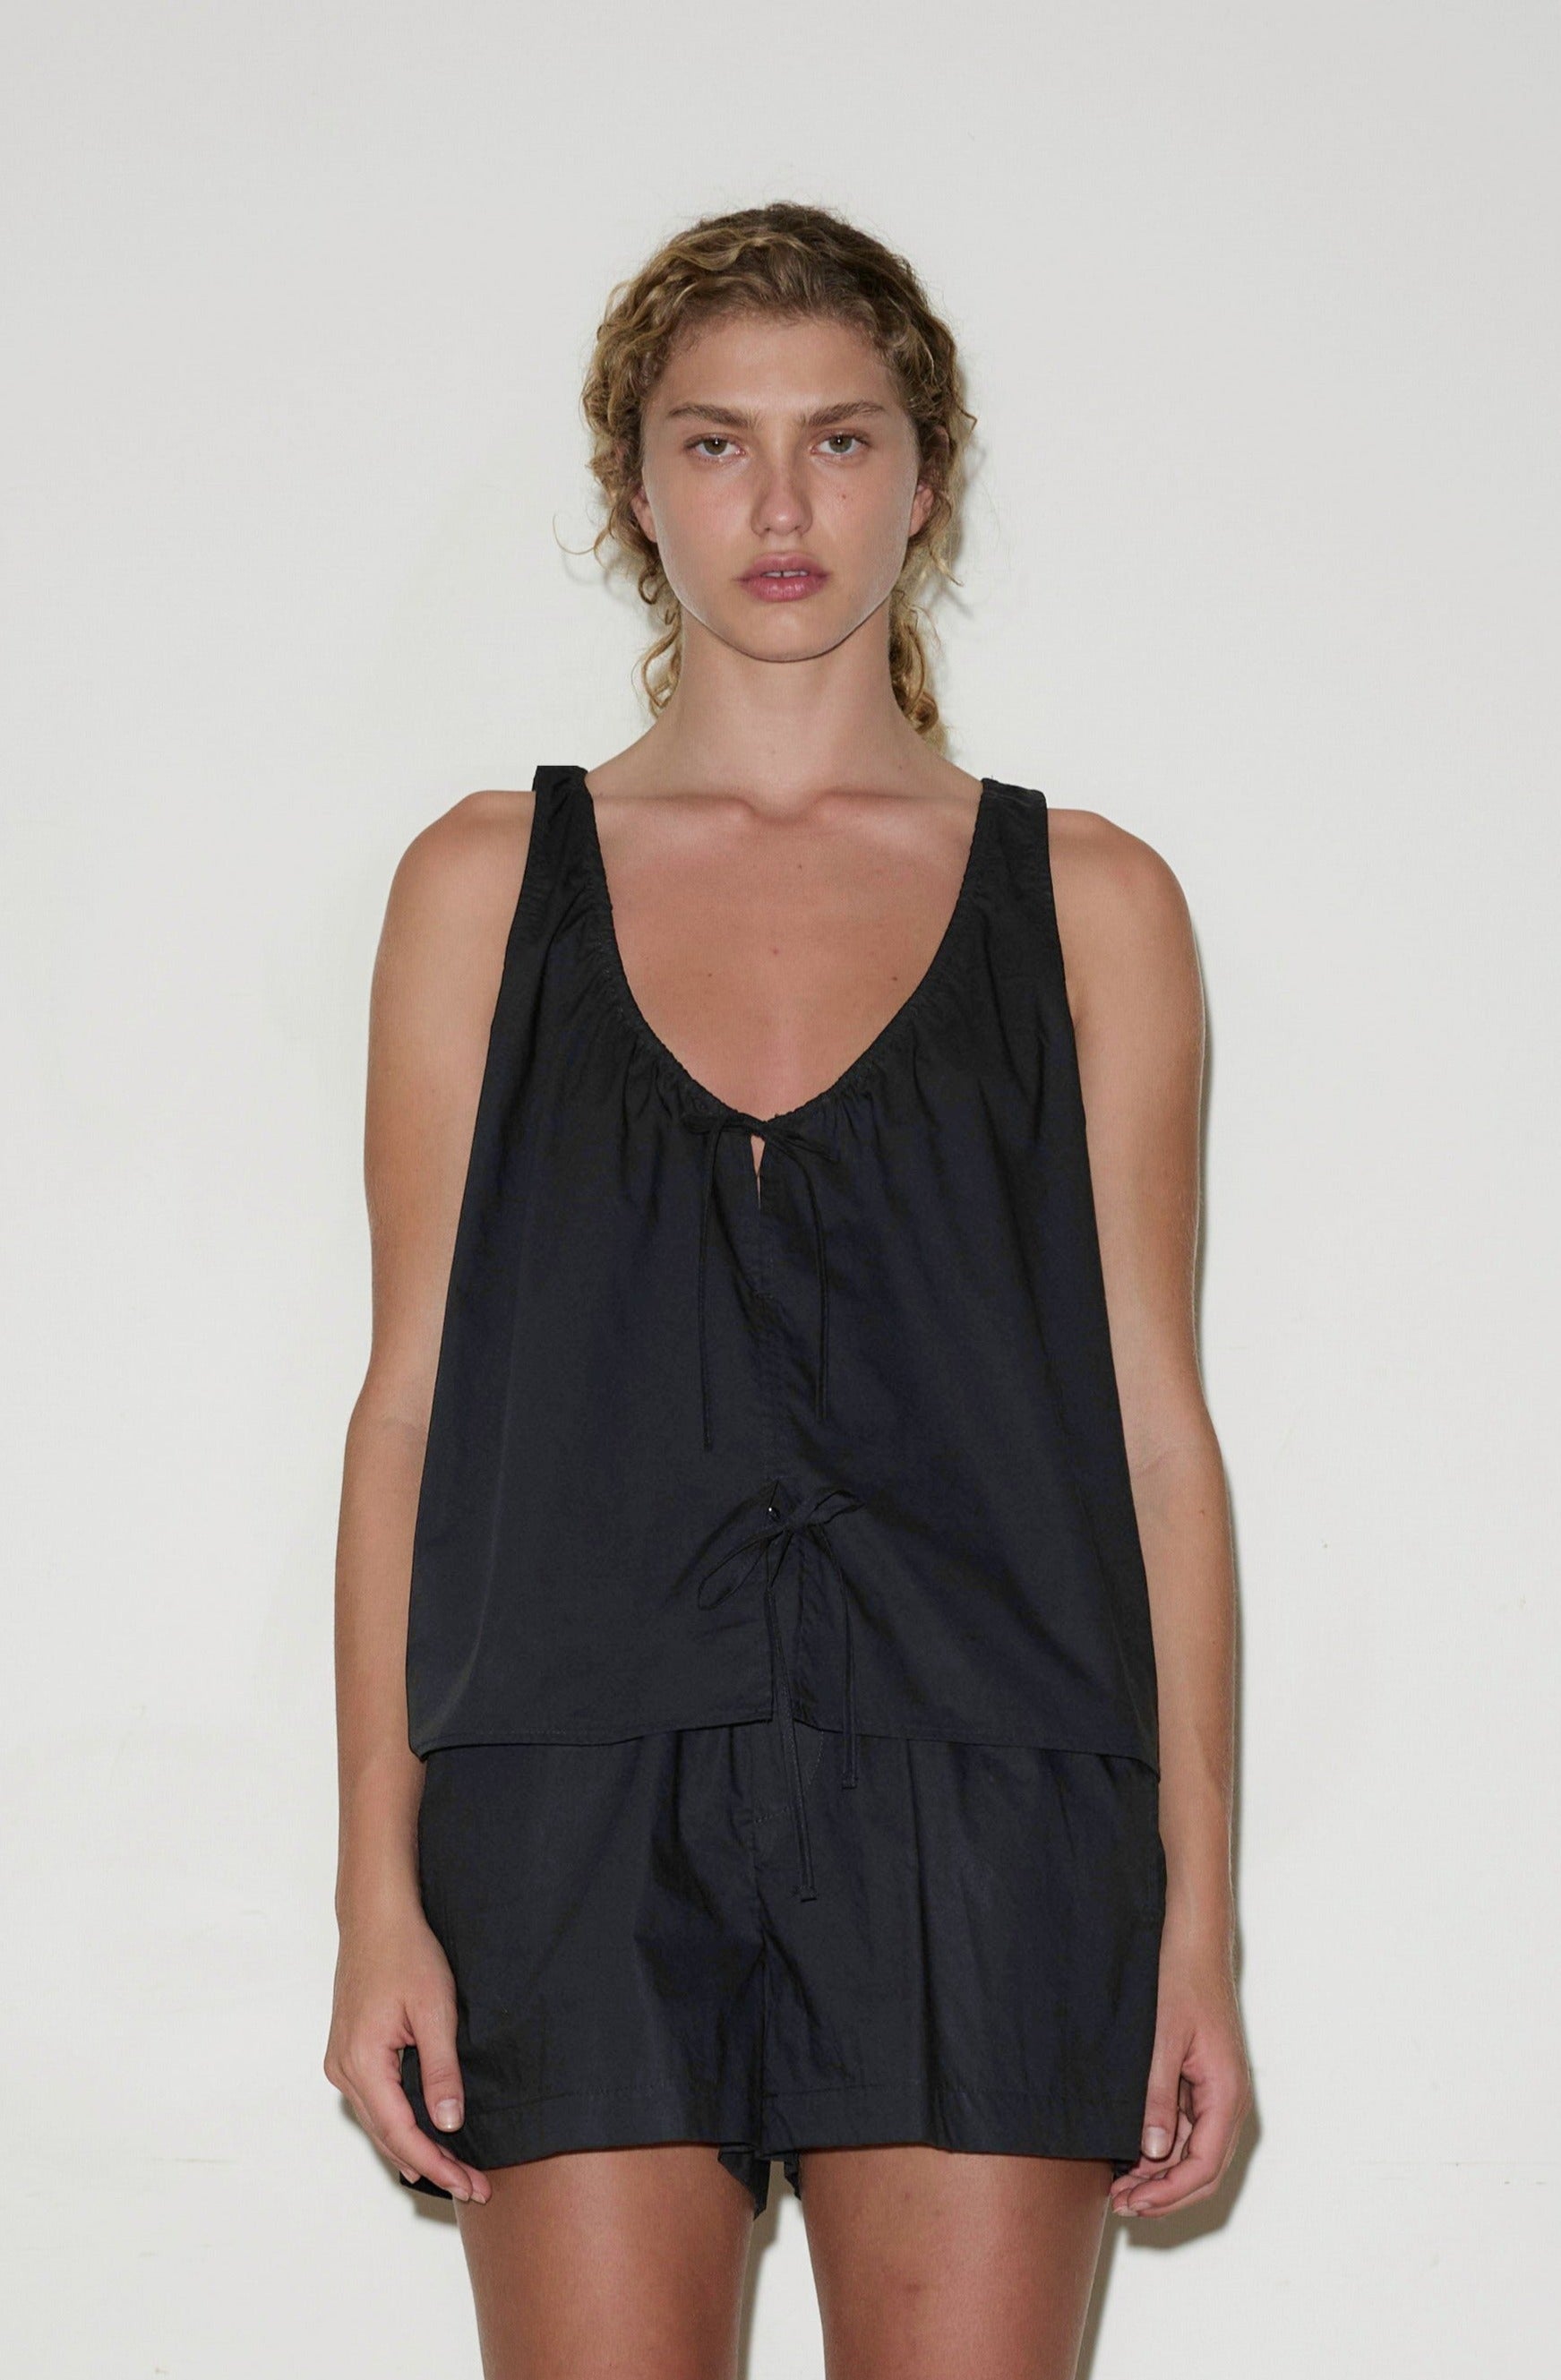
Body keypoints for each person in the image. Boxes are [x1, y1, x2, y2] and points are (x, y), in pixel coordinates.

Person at [325, 199, 1251, 2380]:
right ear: (631, 487)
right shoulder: (482, 889)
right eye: (713, 441)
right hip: (566, 1801)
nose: (777, 504)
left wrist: (1195, 1914)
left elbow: (1152, 1428)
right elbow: (407, 1406)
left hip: (990, 1798)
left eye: (837, 440)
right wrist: (376, 1884)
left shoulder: (1089, 906)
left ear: (922, 480)